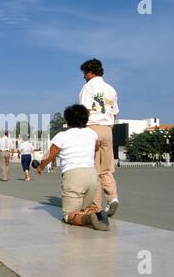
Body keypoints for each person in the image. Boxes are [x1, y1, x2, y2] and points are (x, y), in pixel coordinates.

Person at [36, 104, 109, 231]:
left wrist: (40, 168)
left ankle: (89, 219)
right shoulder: (92, 133)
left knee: (68, 215)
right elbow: (96, 148)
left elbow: (49, 156)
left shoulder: (62, 136)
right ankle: (95, 214)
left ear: (67, 120)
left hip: (74, 176)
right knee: (85, 207)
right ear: (86, 119)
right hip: (92, 176)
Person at [79, 58, 120, 217]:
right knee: (107, 169)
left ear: (90, 72)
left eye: (84, 73)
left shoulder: (88, 87)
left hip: (92, 129)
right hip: (107, 130)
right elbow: (115, 112)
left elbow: (84, 111)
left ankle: (96, 208)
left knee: (93, 170)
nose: (83, 76)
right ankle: (113, 197)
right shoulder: (111, 89)